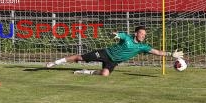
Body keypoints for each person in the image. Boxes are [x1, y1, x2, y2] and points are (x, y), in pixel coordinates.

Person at [46, 26, 183, 76]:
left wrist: (171, 54)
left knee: (105, 74)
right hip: (106, 53)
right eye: (141, 33)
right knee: (80, 58)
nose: (143, 35)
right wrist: (115, 35)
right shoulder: (127, 37)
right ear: (136, 33)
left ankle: (84, 72)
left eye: (144, 34)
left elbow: (158, 52)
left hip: (114, 61)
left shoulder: (143, 47)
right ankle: (56, 62)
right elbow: (116, 34)